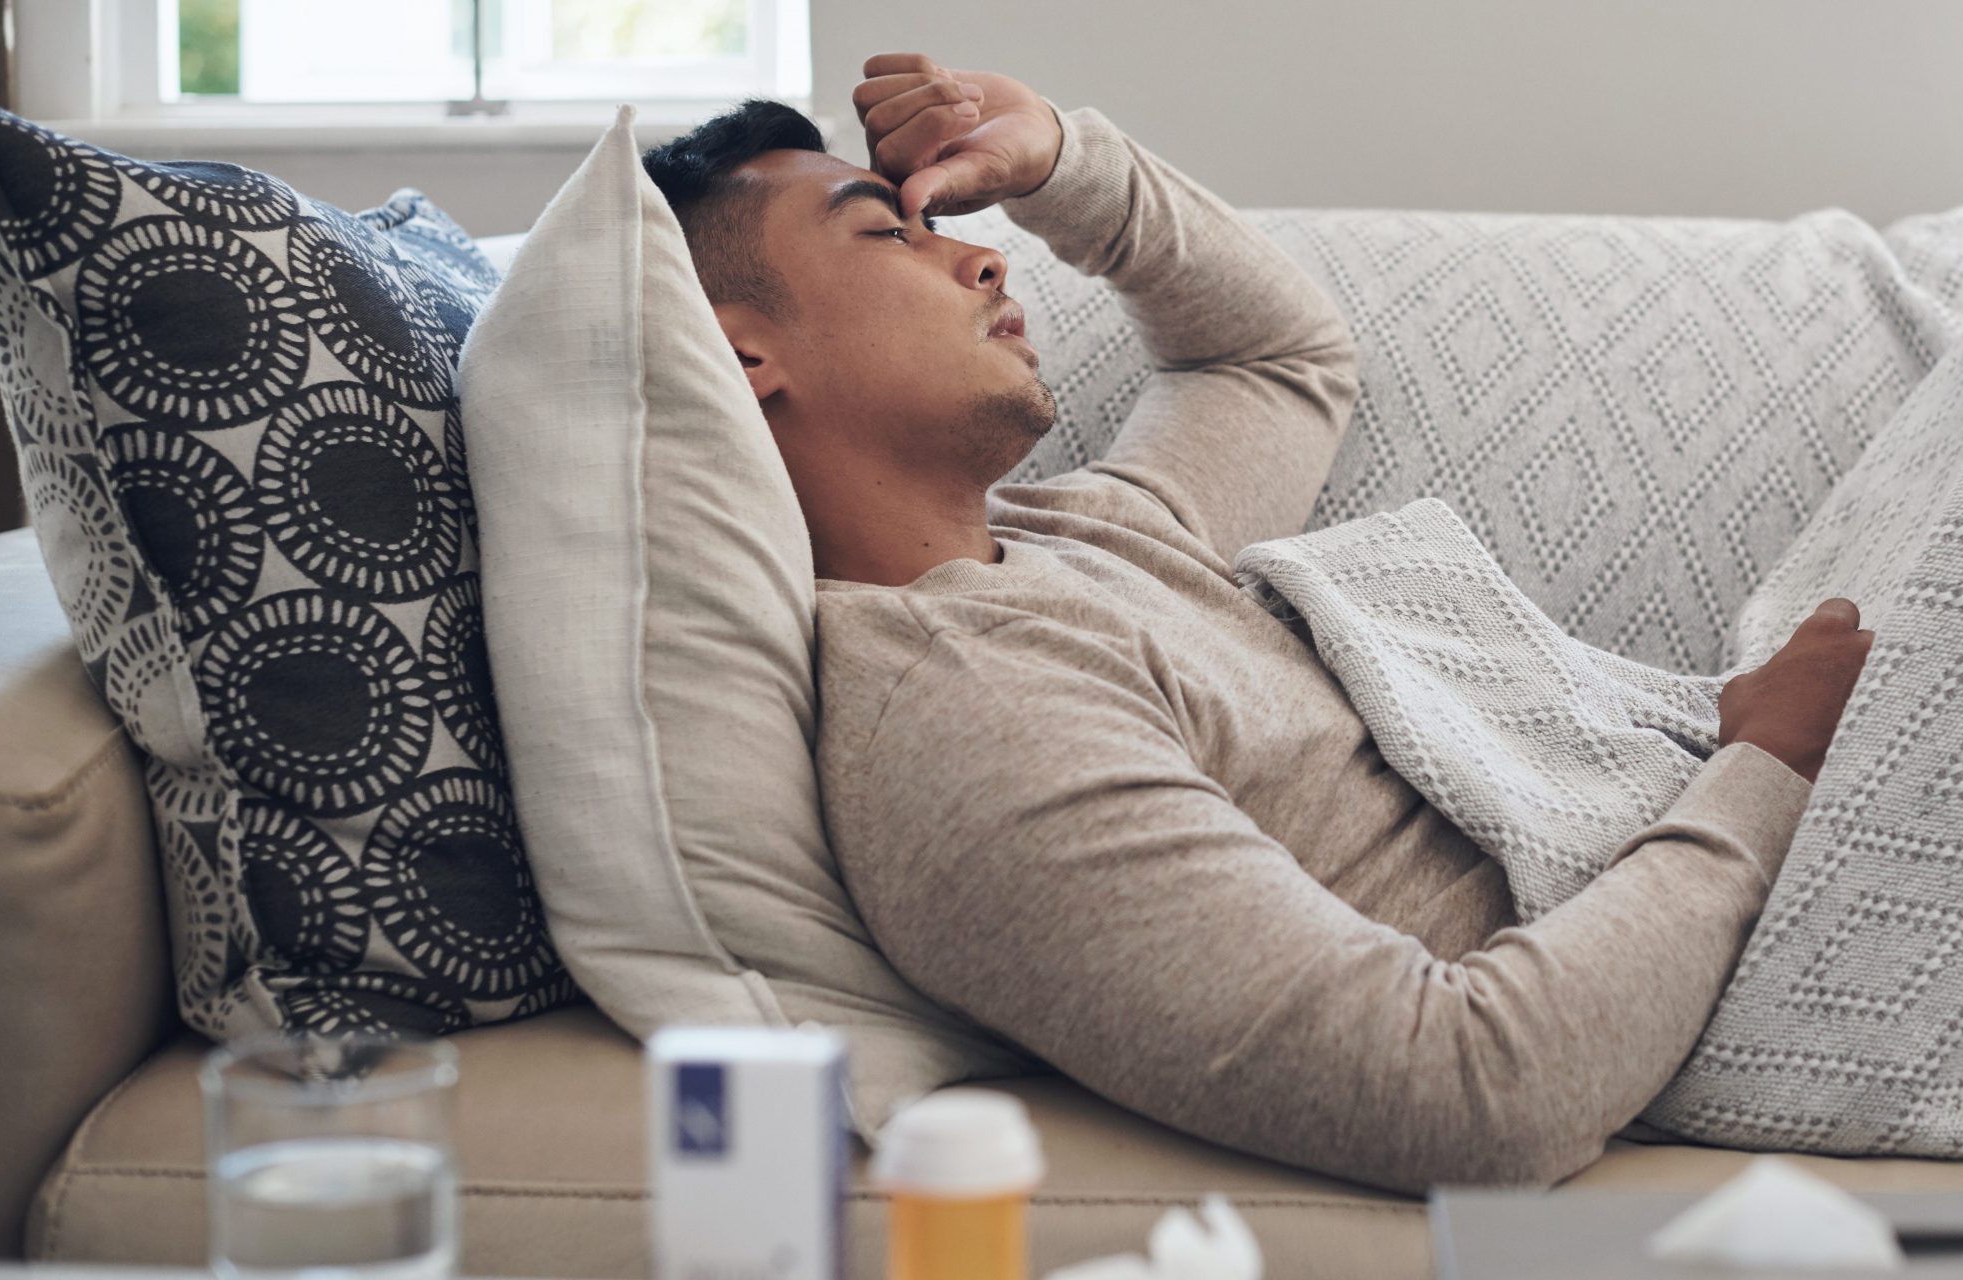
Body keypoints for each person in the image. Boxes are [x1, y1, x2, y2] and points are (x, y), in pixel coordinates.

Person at [640, 52, 1872, 1191]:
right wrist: (1764, 769)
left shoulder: (1078, 537)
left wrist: (1065, 162)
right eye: (886, 236)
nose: (983, 258)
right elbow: (1469, 1094)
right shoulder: (968, 713)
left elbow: (1277, 356)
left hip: (1758, 856)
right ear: (743, 357)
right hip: (1768, 971)